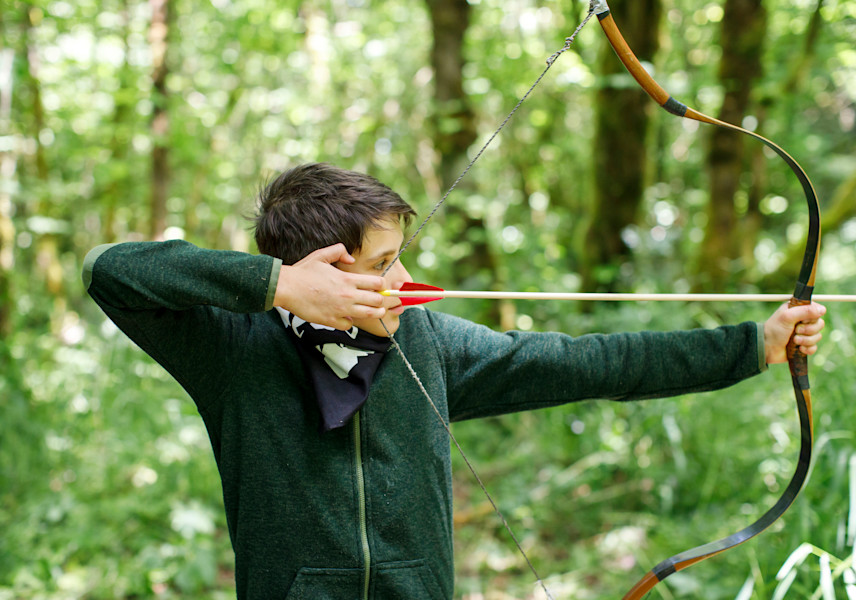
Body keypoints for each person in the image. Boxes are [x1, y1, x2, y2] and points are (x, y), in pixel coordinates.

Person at [83, 162, 826, 600]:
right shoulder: (234, 349)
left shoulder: (430, 344)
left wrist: (752, 345)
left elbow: (592, 361)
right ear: (325, 274)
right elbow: (109, 271)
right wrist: (275, 286)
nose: (405, 280)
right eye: (384, 265)